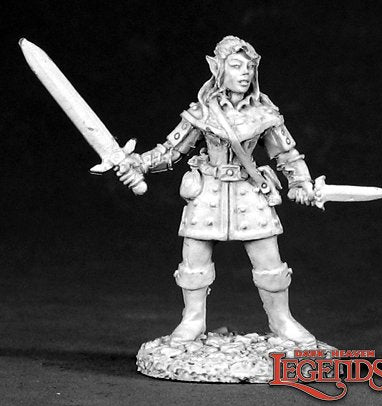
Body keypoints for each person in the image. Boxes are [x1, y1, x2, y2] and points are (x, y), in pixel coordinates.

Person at [116, 36, 316, 346]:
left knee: (270, 263)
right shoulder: (202, 112)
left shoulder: (264, 112)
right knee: (194, 262)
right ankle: (193, 320)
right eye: (236, 66)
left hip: (249, 191)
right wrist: (140, 163)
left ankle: (281, 320)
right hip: (207, 193)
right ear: (218, 69)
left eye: (249, 67)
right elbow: (171, 150)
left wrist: (301, 183)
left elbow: (287, 155)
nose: (245, 73)